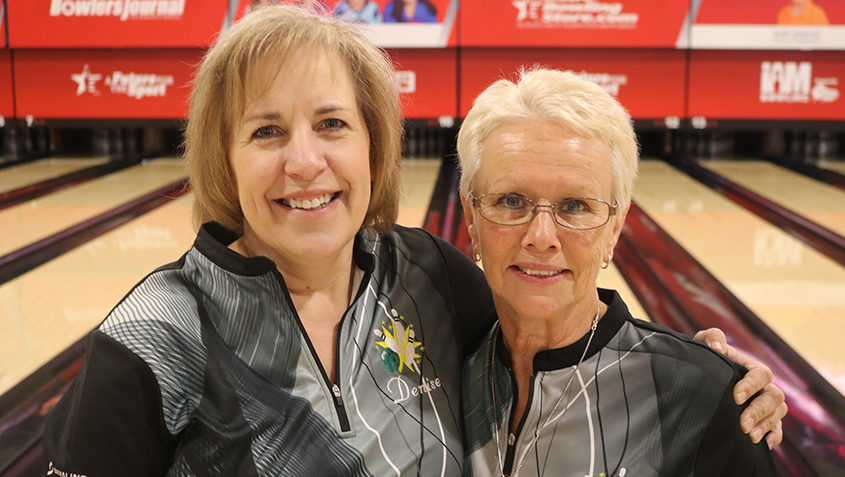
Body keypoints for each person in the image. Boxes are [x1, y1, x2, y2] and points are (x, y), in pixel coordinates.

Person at [42, 5, 784, 476]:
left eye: (332, 124)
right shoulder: (154, 336)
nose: (305, 161)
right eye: (266, 130)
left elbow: (554, 322)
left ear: (373, 147)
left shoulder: (424, 273)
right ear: (222, 156)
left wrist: (705, 376)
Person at [458, 68, 784, 476]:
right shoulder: (439, 368)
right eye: (510, 200)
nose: (541, 237)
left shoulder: (698, 398)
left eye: (575, 206)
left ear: (614, 229)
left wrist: (711, 382)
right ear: (471, 217)